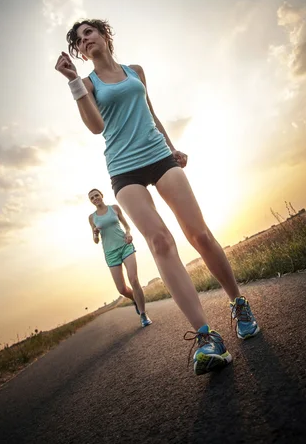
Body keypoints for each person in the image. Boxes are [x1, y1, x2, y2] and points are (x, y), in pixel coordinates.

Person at [55, 19, 260, 376]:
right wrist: (74, 82)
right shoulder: (87, 83)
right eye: (78, 40)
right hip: (124, 169)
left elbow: (150, 112)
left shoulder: (135, 71)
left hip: (159, 155)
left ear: (104, 36)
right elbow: (96, 126)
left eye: (89, 32)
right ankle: (206, 337)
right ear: (78, 52)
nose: (84, 40)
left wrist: (172, 146)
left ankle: (238, 302)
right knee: (161, 242)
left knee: (199, 234)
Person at [88, 187, 152, 328]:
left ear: (101, 195)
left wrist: (128, 233)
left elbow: (127, 226)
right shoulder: (92, 218)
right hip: (110, 253)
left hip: (125, 246)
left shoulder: (114, 208)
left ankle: (143, 314)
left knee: (134, 279)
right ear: (91, 201)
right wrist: (95, 233)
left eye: (96, 195)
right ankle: (135, 299)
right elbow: (96, 240)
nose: (95, 198)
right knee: (122, 289)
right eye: (92, 198)